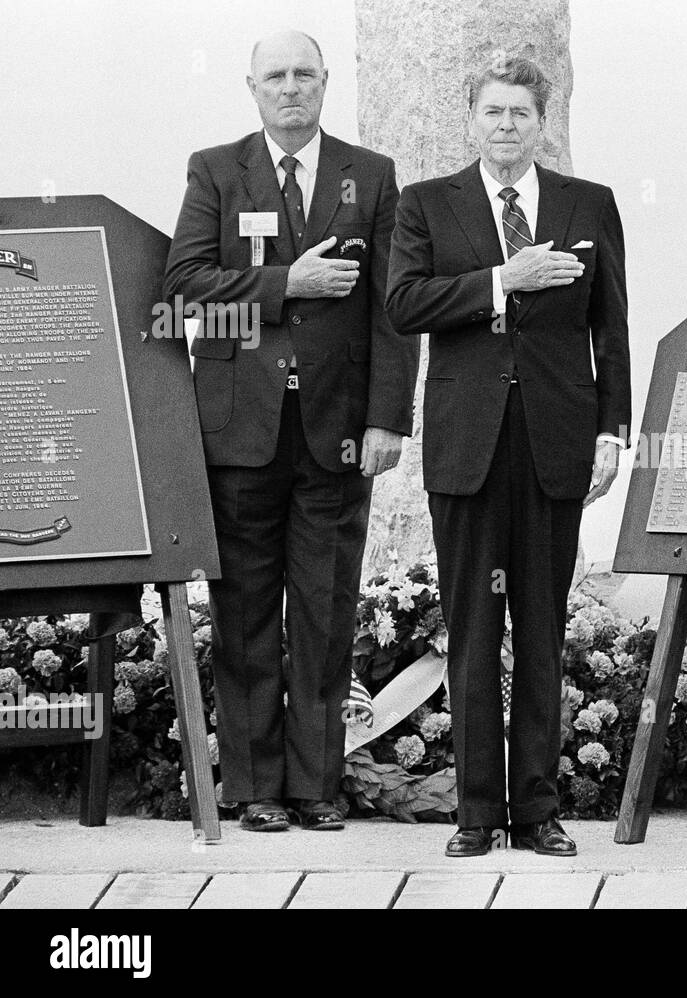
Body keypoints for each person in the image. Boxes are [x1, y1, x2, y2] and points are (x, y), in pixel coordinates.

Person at [164, 30, 418, 831]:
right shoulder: (215, 169)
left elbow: (393, 309)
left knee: (325, 605)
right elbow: (186, 293)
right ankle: (252, 789)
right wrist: (286, 284)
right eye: (275, 76)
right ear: (251, 86)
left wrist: (386, 421)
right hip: (241, 433)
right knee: (241, 611)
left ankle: (315, 786)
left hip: (338, 433)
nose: (291, 88)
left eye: (304, 74)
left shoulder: (369, 176)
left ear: (325, 83)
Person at [386, 57, 630, 858]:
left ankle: (537, 810)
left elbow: (611, 326)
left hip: (556, 441)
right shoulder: (426, 205)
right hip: (468, 445)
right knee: (472, 629)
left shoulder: (587, 203)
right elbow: (403, 303)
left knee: (542, 630)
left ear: (541, 121)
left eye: (521, 113)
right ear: (471, 119)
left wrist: (611, 429)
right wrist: (501, 279)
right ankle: (475, 815)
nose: (506, 126)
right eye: (492, 112)